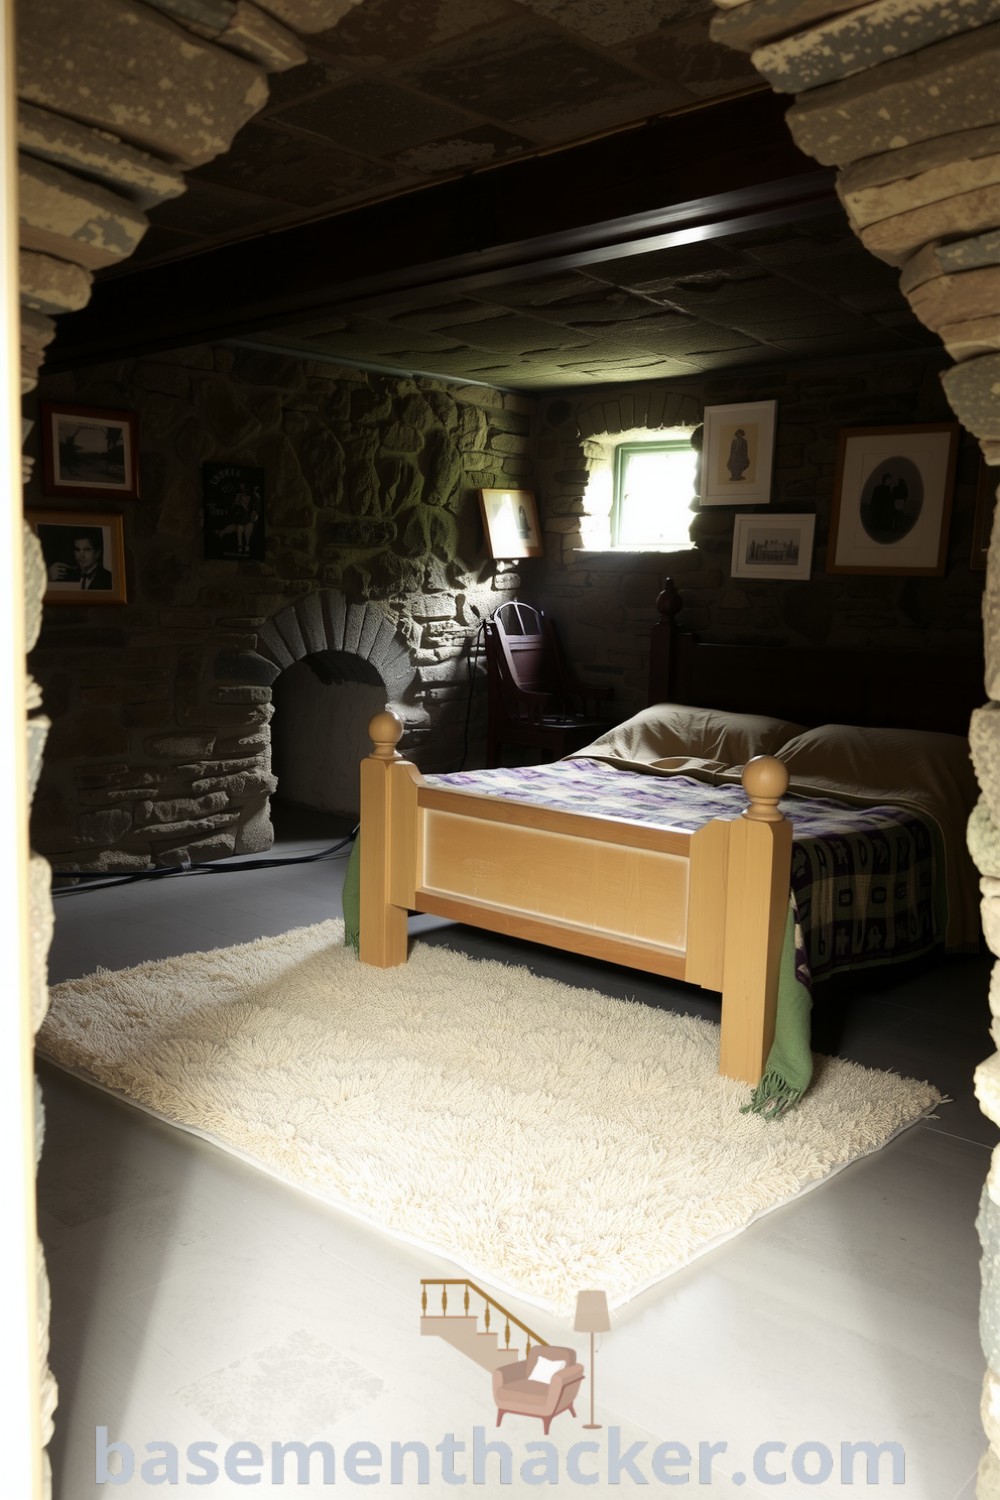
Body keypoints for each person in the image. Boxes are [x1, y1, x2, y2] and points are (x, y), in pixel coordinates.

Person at [47, 528, 112, 590]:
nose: (81, 556)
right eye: (77, 550)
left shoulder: (109, 579)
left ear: (97, 553)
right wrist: (49, 579)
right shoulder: (67, 575)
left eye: (87, 550)